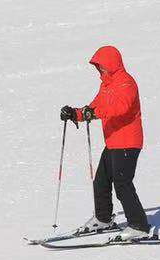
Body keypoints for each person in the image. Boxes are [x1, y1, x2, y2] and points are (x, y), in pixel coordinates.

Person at [61, 46, 153, 240]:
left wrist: (93, 113)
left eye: (102, 66)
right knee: (101, 181)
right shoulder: (107, 85)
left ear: (111, 64)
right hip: (113, 142)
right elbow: (95, 107)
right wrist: (75, 113)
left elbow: (120, 108)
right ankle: (103, 219)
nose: (100, 70)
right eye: (98, 67)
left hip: (128, 142)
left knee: (122, 184)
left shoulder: (126, 83)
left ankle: (139, 225)